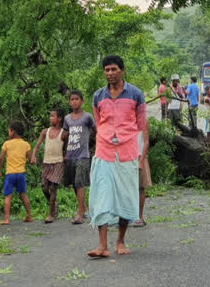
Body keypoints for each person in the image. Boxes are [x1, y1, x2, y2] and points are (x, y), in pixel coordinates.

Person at [87, 55, 148, 258]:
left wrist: (140, 155)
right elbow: (99, 121)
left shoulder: (136, 95)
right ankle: (102, 246)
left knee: (125, 196)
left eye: (113, 69)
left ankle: (120, 241)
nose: (110, 73)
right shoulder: (98, 96)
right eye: (106, 70)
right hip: (103, 151)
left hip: (127, 152)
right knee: (101, 195)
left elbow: (140, 124)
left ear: (122, 70)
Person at [61, 91, 96, 224]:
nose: (74, 101)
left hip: (83, 154)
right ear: (69, 102)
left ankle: (80, 214)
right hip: (70, 154)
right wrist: (63, 152)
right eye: (72, 99)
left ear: (82, 101)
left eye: (77, 99)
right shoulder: (67, 118)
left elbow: (96, 130)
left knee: (80, 183)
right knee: (74, 184)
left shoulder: (87, 117)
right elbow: (64, 135)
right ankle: (84, 208)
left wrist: (97, 147)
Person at [31, 107, 65, 223]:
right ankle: (54, 204)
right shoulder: (45, 131)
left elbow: (66, 149)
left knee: (53, 188)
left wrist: (65, 159)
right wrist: (33, 155)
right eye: (50, 116)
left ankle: (51, 214)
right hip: (47, 163)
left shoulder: (64, 133)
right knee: (44, 188)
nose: (50, 118)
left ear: (59, 118)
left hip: (58, 163)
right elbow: (38, 145)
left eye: (52, 116)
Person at [0, 121, 33, 225]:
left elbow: (1, 158)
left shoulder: (7, 144)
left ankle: (7, 219)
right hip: (21, 174)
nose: (8, 132)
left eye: (9, 130)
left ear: (13, 132)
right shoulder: (26, 144)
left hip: (10, 174)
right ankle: (29, 215)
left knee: (8, 196)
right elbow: (31, 159)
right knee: (23, 195)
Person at [133, 120, 152, 228]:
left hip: (140, 155)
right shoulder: (126, 118)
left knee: (140, 187)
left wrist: (141, 161)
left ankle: (140, 216)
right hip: (127, 156)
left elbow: (146, 141)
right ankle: (125, 216)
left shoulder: (143, 120)